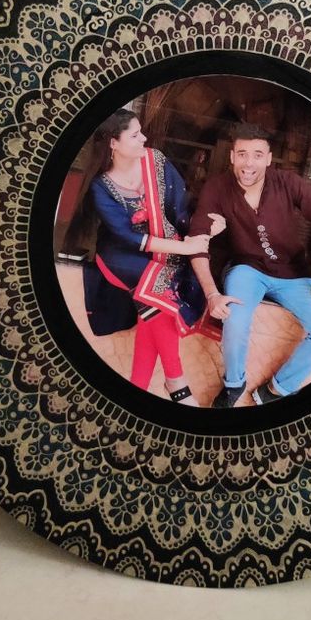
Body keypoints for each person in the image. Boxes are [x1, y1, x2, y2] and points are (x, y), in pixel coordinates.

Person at [70, 108, 224, 406]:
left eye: (142, 132)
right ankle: (177, 383)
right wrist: (187, 249)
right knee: (159, 292)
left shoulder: (156, 161)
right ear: (113, 143)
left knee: (151, 307)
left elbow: (183, 206)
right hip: (122, 258)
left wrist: (206, 227)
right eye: (135, 134)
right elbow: (128, 237)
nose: (145, 138)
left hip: (165, 249)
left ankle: (137, 389)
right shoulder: (101, 186)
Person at [189, 122, 311, 408]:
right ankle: (233, 385)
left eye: (258, 154)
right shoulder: (217, 187)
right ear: (232, 156)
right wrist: (212, 294)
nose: (250, 163)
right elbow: (197, 240)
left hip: (294, 274)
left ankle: (277, 389)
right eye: (243, 154)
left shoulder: (287, 182)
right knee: (235, 317)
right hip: (246, 269)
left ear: (269, 158)